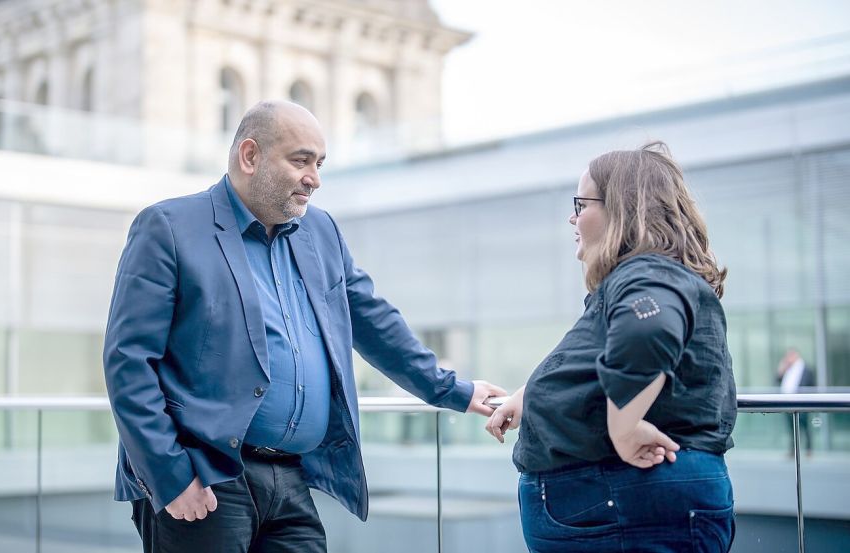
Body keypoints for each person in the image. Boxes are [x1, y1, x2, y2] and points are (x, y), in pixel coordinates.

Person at [103, 100, 505, 553]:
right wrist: (170, 476)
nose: (314, 177)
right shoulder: (169, 227)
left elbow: (373, 321)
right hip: (204, 477)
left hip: (291, 478)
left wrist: (454, 389)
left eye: (319, 163)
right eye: (300, 160)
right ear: (250, 156)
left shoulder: (322, 232)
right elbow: (128, 362)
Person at [485, 141, 737, 552]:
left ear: (624, 209)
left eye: (582, 204)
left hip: (620, 504)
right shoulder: (649, 277)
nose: (573, 217)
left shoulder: (648, 274)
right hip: (619, 505)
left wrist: (624, 428)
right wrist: (529, 396)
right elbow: (606, 356)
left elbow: (647, 331)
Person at [777, 348, 816, 453]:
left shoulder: (806, 369)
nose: (789, 359)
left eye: (790, 356)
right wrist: (781, 370)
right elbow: (778, 380)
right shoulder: (788, 369)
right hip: (787, 402)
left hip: (802, 402)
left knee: (804, 425)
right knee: (791, 428)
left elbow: (811, 385)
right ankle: (792, 450)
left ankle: (809, 449)